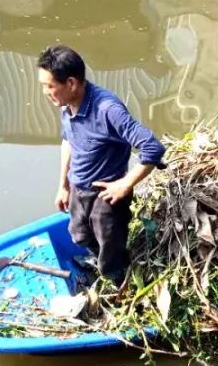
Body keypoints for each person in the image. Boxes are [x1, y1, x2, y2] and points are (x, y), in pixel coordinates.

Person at [37, 45, 166, 286]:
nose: (45, 92)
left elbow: (153, 148)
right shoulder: (66, 105)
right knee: (79, 235)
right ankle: (102, 264)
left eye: (49, 86)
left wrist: (125, 184)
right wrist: (63, 185)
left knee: (110, 249)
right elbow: (68, 141)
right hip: (78, 187)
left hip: (107, 195)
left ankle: (119, 283)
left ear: (72, 83)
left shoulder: (108, 110)